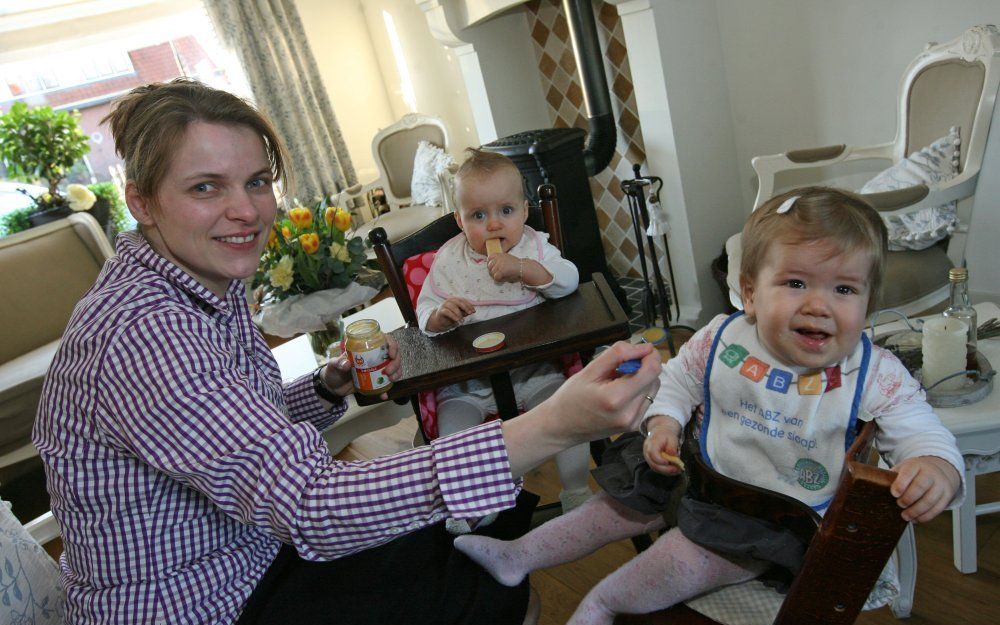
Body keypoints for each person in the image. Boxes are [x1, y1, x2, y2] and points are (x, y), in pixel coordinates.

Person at [31, 79, 662, 625]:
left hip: (253, 547)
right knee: (491, 592)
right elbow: (311, 504)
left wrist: (329, 386)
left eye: (256, 181)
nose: (246, 210)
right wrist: (554, 423)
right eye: (205, 187)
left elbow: (233, 431)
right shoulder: (142, 333)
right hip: (207, 602)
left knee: (488, 553)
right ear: (140, 200)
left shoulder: (203, 287)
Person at [454, 186, 964, 625]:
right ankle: (520, 555)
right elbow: (677, 380)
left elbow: (921, 430)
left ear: (868, 303)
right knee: (616, 506)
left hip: (767, 515)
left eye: (844, 289)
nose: (818, 304)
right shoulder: (723, 337)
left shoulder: (872, 373)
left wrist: (935, 465)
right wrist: (663, 423)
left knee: (685, 556)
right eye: (795, 283)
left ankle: (603, 604)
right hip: (696, 467)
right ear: (749, 293)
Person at [415, 148, 592, 517]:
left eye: (506, 211)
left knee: (567, 414)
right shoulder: (449, 260)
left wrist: (526, 269)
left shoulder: (534, 247)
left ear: (525, 211)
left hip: (535, 370)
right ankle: (476, 506)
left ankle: (576, 489)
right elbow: (425, 310)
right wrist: (439, 317)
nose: (494, 225)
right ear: (460, 221)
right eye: (478, 215)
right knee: (453, 443)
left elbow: (570, 281)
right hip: (468, 385)